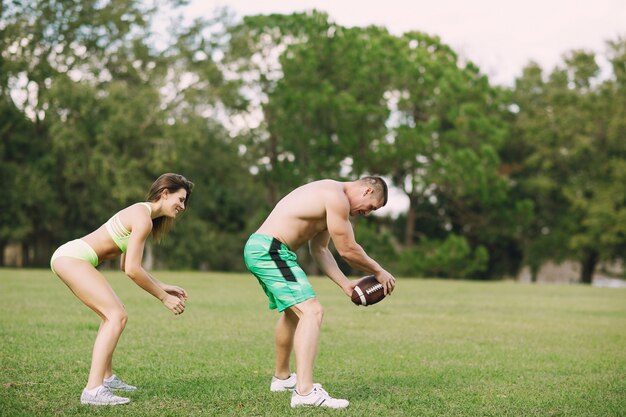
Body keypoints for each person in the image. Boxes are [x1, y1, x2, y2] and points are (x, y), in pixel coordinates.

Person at [244, 176, 397, 409]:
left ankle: (282, 378)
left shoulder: (330, 198)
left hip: (266, 249)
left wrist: (346, 284)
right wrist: (379, 271)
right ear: (367, 190)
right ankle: (304, 393)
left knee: (293, 313)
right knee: (312, 311)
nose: (367, 213)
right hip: (270, 250)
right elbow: (347, 250)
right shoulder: (335, 197)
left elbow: (320, 249)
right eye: (371, 207)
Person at [50, 173, 194, 406]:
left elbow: (125, 264)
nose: (183, 206)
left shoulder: (142, 214)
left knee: (110, 316)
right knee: (117, 315)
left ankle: (106, 378)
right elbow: (132, 270)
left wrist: (163, 285)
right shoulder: (143, 218)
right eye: (181, 199)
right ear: (165, 193)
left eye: (185, 201)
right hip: (72, 258)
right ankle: (93, 390)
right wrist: (163, 297)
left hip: (69, 257)